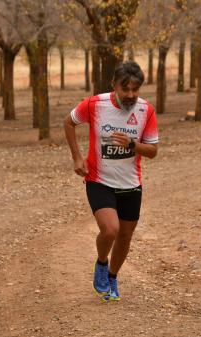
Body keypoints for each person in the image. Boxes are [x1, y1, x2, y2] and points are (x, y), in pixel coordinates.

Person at [64, 61, 159, 302]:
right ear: (113, 85)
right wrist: (77, 157)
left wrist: (132, 145)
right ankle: (101, 262)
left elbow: (153, 151)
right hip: (99, 179)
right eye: (125, 89)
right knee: (110, 230)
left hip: (130, 183)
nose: (130, 95)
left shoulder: (146, 110)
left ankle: (113, 277)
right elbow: (69, 122)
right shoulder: (95, 104)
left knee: (125, 236)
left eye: (135, 90)